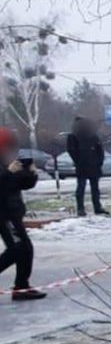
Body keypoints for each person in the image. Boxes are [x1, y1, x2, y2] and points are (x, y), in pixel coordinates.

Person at [0, 128, 47, 301]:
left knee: (24, 248)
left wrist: (31, 174)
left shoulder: (8, 161)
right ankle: (21, 287)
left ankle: (22, 286)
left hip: (13, 211)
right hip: (3, 214)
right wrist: (8, 173)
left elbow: (19, 184)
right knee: (17, 249)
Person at [66, 116, 108, 217]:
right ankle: (81, 208)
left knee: (95, 188)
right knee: (81, 188)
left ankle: (97, 207)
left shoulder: (92, 136)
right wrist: (78, 161)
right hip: (82, 166)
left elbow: (100, 150)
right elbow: (71, 150)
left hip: (94, 166)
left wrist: (99, 161)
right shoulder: (73, 137)